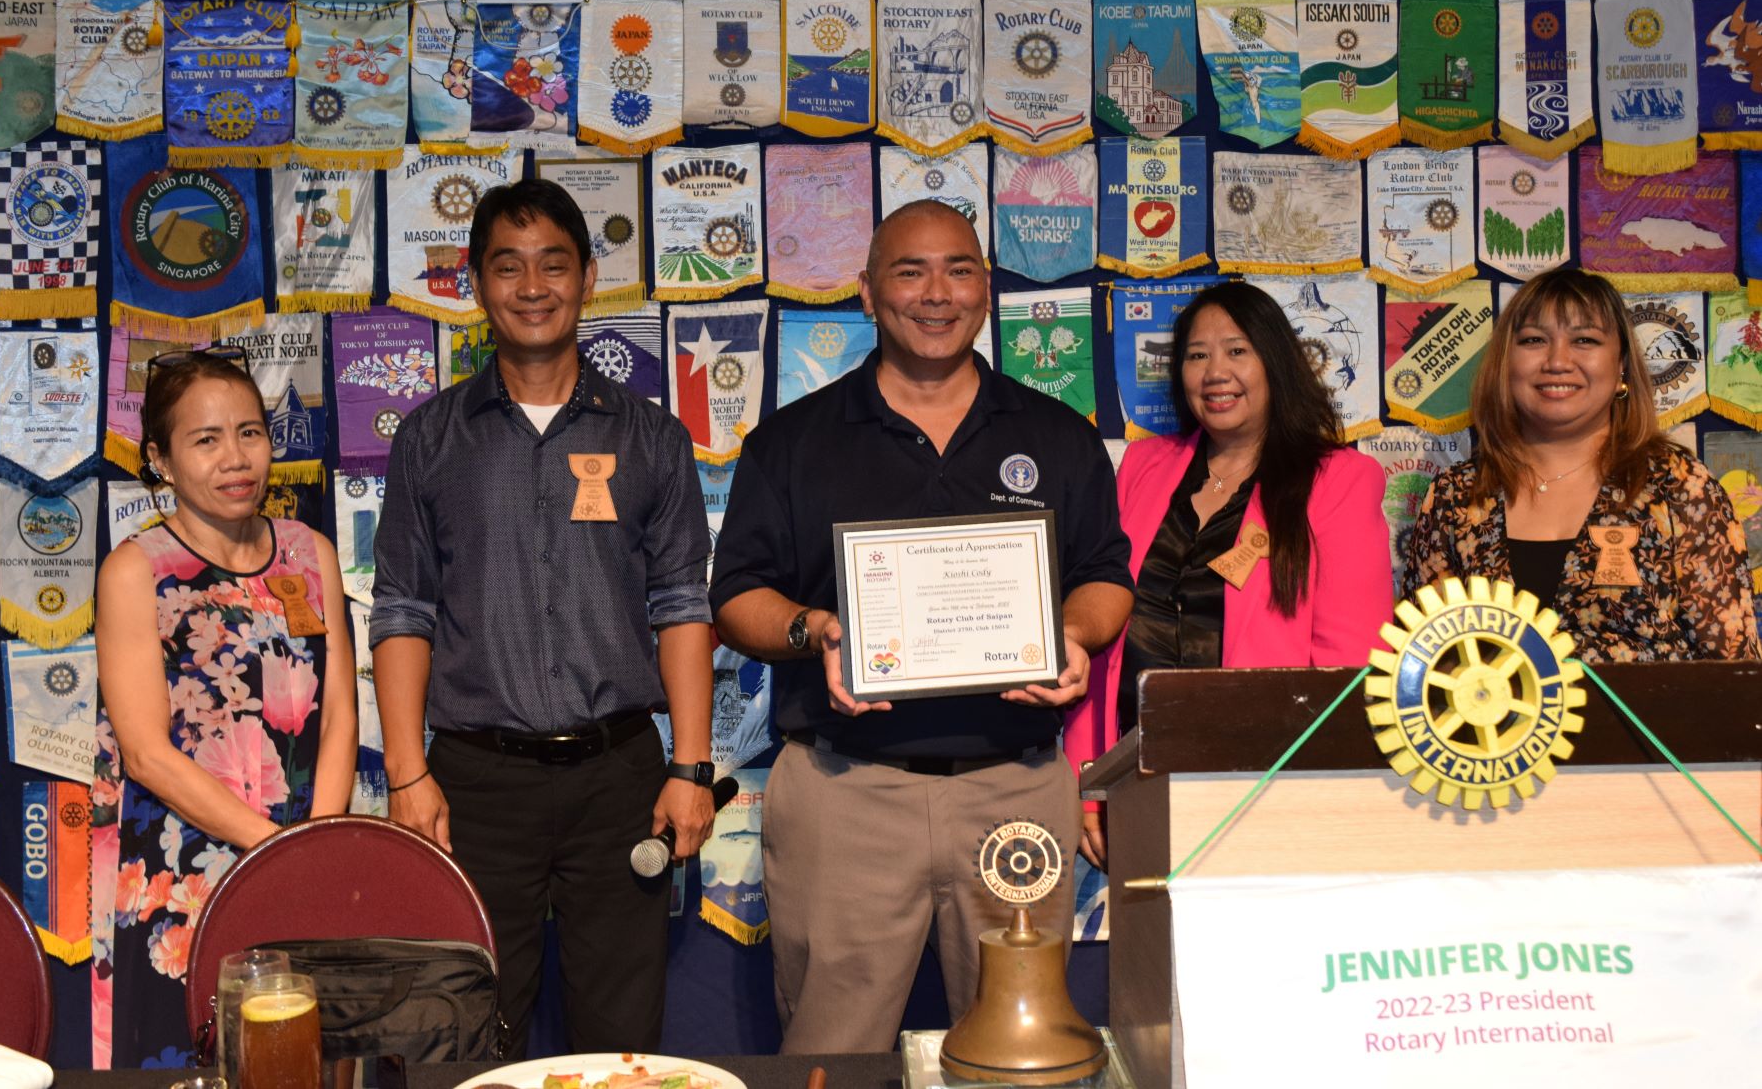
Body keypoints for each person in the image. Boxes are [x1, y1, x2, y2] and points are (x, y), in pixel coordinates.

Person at [709, 200, 1134, 1054]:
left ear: (985, 289)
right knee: (835, 1045)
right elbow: (736, 598)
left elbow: (1104, 577)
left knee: (1025, 1045)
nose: (935, 293)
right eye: (909, 271)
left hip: (1014, 786)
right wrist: (814, 632)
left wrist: (1075, 637)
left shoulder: (1055, 434)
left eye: (958, 269)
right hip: (846, 792)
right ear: (867, 292)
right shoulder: (794, 442)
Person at [370, 178, 716, 1055]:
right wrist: (408, 776)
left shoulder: (649, 437)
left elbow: (681, 604)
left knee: (621, 1038)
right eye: (508, 267)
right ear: (476, 285)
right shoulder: (430, 438)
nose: (533, 287)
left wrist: (691, 765)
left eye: (553, 265)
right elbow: (403, 609)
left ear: (589, 277)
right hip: (475, 787)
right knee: (463, 1033)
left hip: (621, 781)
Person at [1065, 281, 1394, 868]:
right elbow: (1101, 635)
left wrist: (1309, 800)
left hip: (1267, 792)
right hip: (1131, 781)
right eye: (1197, 355)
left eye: (1237, 351)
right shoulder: (1143, 467)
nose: (1216, 371)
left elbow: (1351, 668)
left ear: (1276, 362)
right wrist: (1086, 780)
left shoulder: (1339, 480)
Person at [94, 349, 357, 1065]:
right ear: (161, 459)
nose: (235, 458)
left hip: (306, 864)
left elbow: (338, 714)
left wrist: (315, 845)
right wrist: (271, 851)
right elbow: (146, 753)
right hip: (186, 879)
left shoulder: (311, 552)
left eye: (249, 432)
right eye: (205, 440)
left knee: (307, 1063)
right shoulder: (135, 569)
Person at [1406, 267, 1760, 661]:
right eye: (1534, 340)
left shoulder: (1679, 487)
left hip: (1653, 723)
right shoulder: (1455, 496)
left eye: (1585, 340)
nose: (1557, 361)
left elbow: (1734, 671)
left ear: (1621, 364)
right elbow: (1424, 661)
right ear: (1506, 363)